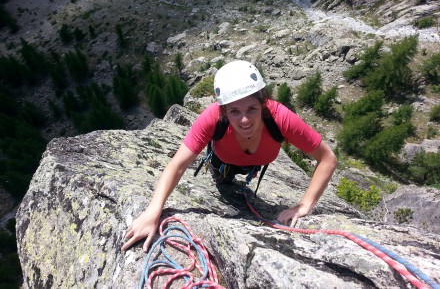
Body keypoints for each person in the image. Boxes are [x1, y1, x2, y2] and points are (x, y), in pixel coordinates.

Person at [122, 60, 337, 252]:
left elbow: (327, 158)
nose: (244, 120)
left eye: (252, 108)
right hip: (222, 161)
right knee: (222, 182)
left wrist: (304, 206)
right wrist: (153, 211)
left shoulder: (280, 118)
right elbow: (177, 165)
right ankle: (223, 176)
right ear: (223, 111)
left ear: (263, 104)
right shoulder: (212, 119)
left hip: (256, 163)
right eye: (235, 111)